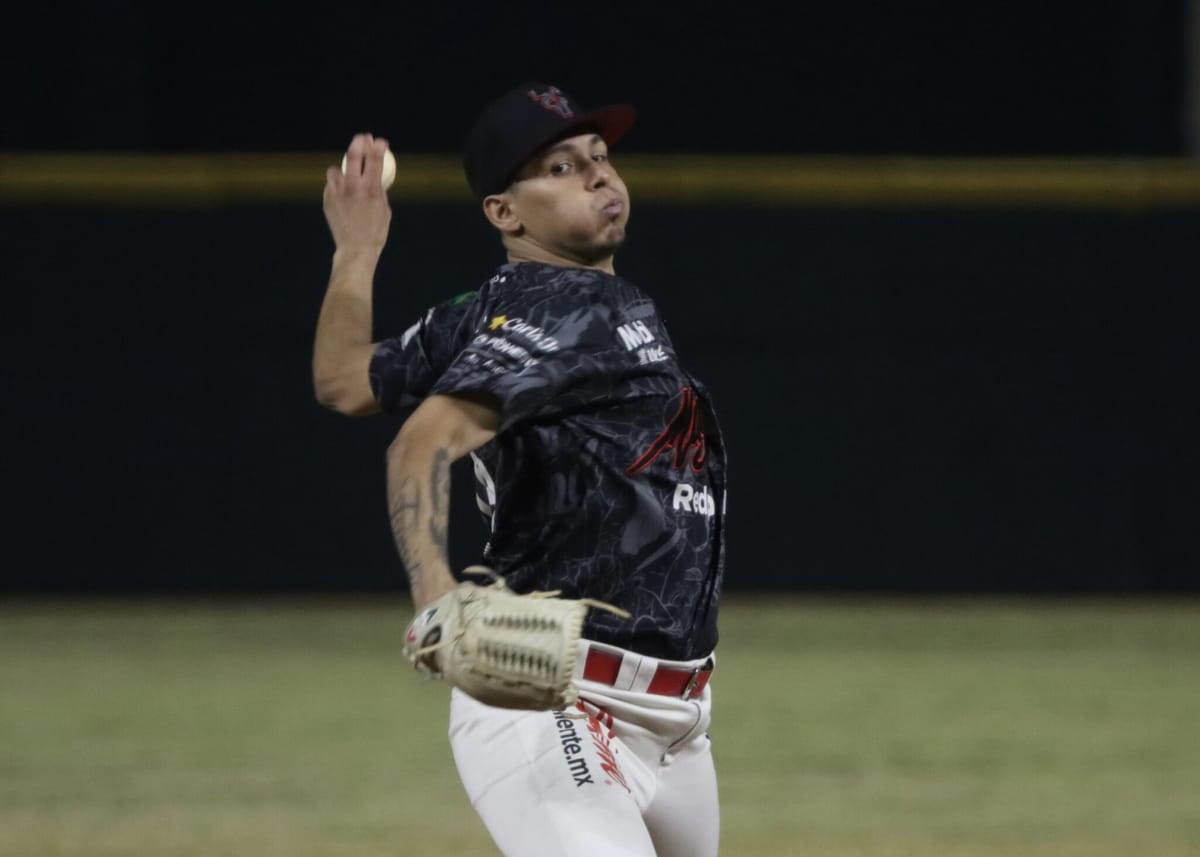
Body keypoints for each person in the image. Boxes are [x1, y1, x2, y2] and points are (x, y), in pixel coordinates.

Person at [314, 81, 727, 857]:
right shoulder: (557, 307)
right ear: (505, 212)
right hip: (564, 702)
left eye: (600, 157)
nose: (599, 175)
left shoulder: (492, 310)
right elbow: (419, 441)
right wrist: (437, 600)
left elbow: (342, 378)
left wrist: (357, 252)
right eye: (562, 167)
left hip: (677, 724)